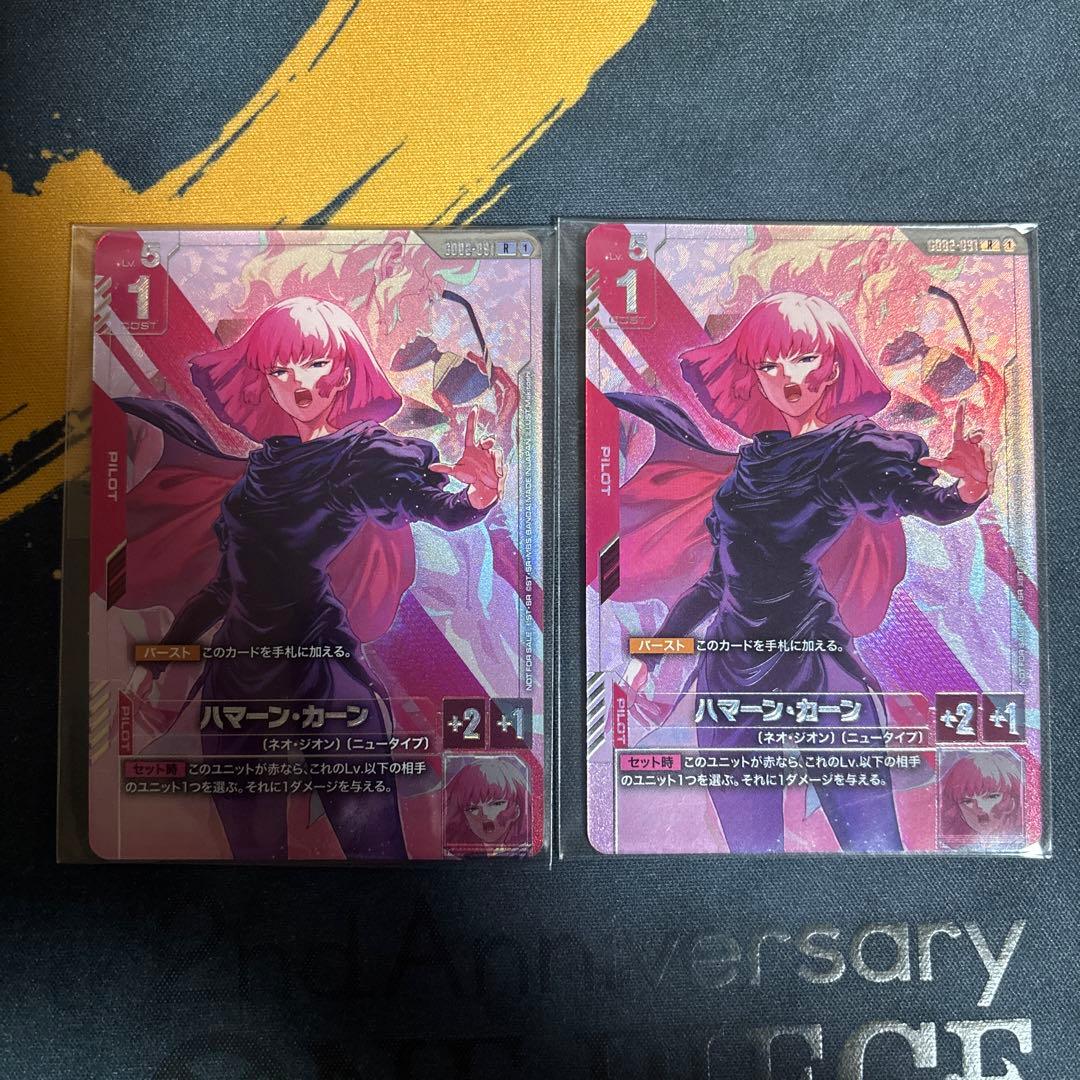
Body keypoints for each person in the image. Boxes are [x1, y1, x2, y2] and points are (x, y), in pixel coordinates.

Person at [122, 296, 504, 859]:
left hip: (320, 673)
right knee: (255, 864)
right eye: (280, 369)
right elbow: (226, 587)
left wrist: (478, 497)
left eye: (316, 362)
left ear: (344, 371)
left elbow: (431, 505)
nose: (297, 382)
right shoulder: (260, 472)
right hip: (237, 682)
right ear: (265, 381)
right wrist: (161, 659)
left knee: (376, 854)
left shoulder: (360, 457)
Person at [614, 292, 991, 852]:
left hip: (814, 664)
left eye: (804, 358)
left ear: (833, 365)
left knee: (874, 849)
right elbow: (717, 582)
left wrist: (967, 491)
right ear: (754, 377)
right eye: (769, 364)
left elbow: (919, 498)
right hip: (731, 673)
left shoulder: (850, 451)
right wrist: (650, 657)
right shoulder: (750, 466)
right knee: (752, 857)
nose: (787, 377)